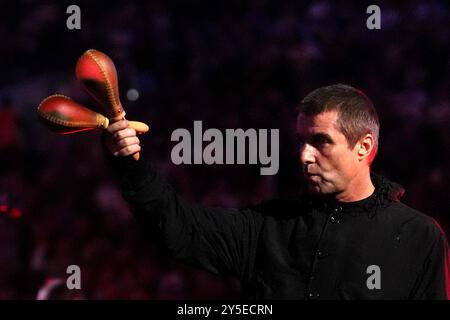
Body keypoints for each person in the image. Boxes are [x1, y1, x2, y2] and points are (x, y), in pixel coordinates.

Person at [103, 84, 450, 299]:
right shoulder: (268, 227)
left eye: (321, 142)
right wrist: (130, 164)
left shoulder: (418, 237)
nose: (304, 155)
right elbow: (177, 229)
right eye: (301, 141)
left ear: (363, 146)